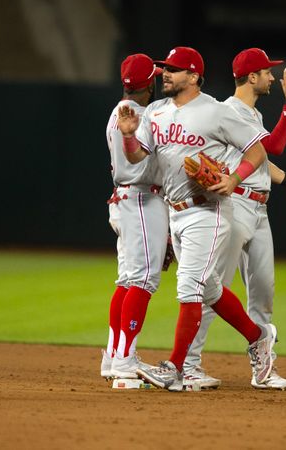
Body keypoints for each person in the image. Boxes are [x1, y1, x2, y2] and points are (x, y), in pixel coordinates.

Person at [117, 46, 278, 392]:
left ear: (193, 76)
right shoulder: (156, 111)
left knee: (189, 285)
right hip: (175, 211)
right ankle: (258, 338)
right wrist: (130, 135)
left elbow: (258, 150)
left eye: (173, 69)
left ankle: (174, 368)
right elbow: (135, 159)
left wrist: (234, 180)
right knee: (209, 289)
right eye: (165, 68)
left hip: (210, 209)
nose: (165, 74)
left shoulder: (215, 112)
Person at [184, 48, 286, 390]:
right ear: (251, 77)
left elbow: (262, 160)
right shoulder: (229, 112)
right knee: (213, 289)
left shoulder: (250, 115)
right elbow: (277, 146)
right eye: (267, 72)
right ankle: (190, 365)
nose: (272, 77)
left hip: (259, 209)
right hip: (234, 207)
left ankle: (263, 368)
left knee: (263, 292)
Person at [101, 53, 168, 380]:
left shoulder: (118, 110)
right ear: (149, 84)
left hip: (124, 199)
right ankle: (125, 361)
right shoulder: (145, 115)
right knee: (142, 280)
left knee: (128, 279)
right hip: (141, 199)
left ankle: (114, 355)